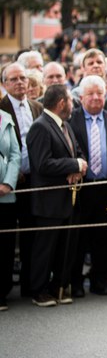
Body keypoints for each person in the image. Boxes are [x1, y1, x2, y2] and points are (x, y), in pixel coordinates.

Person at [69, 76, 107, 296]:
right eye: (91, 94)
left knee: (105, 238)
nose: (96, 98)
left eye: (99, 93)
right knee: (78, 238)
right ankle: (75, 283)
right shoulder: (71, 120)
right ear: (81, 97)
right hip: (81, 190)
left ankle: (100, 280)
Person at [27, 85, 88, 306]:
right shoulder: (40, 127)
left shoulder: (65, 125)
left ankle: (59, 286)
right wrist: (74, 164)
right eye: (71, 101)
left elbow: (78, 153)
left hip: (68, 199)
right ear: (62, 102)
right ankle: (38, 290)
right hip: (48, 201)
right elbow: (42, 163)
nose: (73, 105)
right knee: (45, 248)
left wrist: (78, 166)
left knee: (65, 246)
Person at [0, 63, 43, 297]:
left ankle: (30, 285)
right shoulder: (1, 109)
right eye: (13, 79)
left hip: (33, 183)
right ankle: (4, 288)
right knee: (5, 238)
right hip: (7, 184)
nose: (19, 82)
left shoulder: (37, 107)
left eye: (23, 78)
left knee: (31, 236)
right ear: (5, 84)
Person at [0, 107, 21, 311]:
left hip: (5, 194)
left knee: (5, 244)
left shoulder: (6, 118)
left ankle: (3, 291)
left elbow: (15, 154)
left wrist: (8, 183)